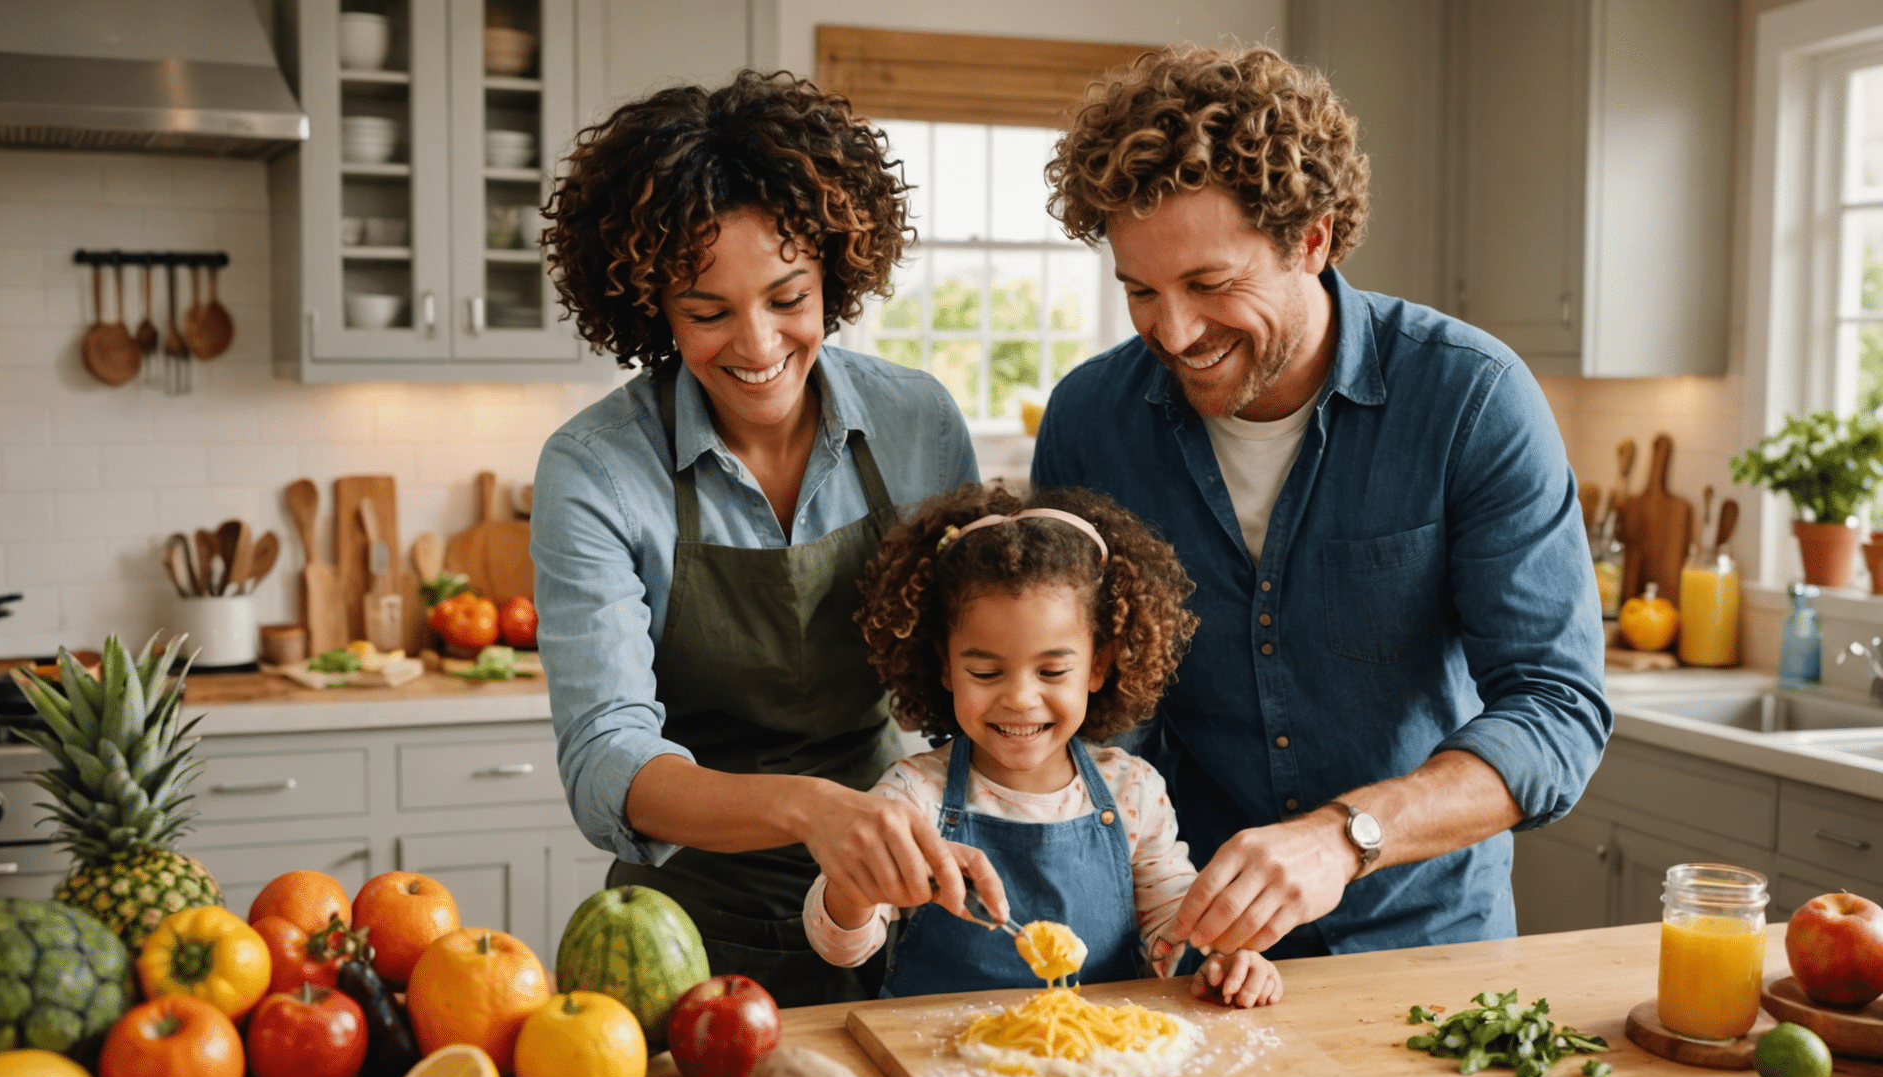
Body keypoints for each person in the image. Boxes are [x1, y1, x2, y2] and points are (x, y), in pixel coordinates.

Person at [1032, 46, 1611, 963]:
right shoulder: (1090, 422)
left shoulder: (1470, 400)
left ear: (1312, 240)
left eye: (1210, 285)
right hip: (1188, 938)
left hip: (1427, 948)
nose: (1173, 333)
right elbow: (1087, 706)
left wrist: (1347, 836)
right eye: (1141, 291)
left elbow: (1557, 707)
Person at [532, 71, 983, 1007]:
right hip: (687, 933)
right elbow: (605, 758)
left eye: (788, 297)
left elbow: (978, 667)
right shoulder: (596, 469)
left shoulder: (917, 423)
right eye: (708, 312)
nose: (757, 345)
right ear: (651, 306)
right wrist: (810, 809)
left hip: (896, 905)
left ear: (835, 274)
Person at [802, 484, 1282, 1007]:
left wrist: (1221, 958)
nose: (1020, 699)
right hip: (935, 1048)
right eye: (986, 673)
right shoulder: (913, 796)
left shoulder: (1132, 791)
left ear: (1099, 665)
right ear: (944, 666)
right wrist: (857, 887)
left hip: (1096, 1048)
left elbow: (1174, 923)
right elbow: (840, 949)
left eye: (1052, 671)